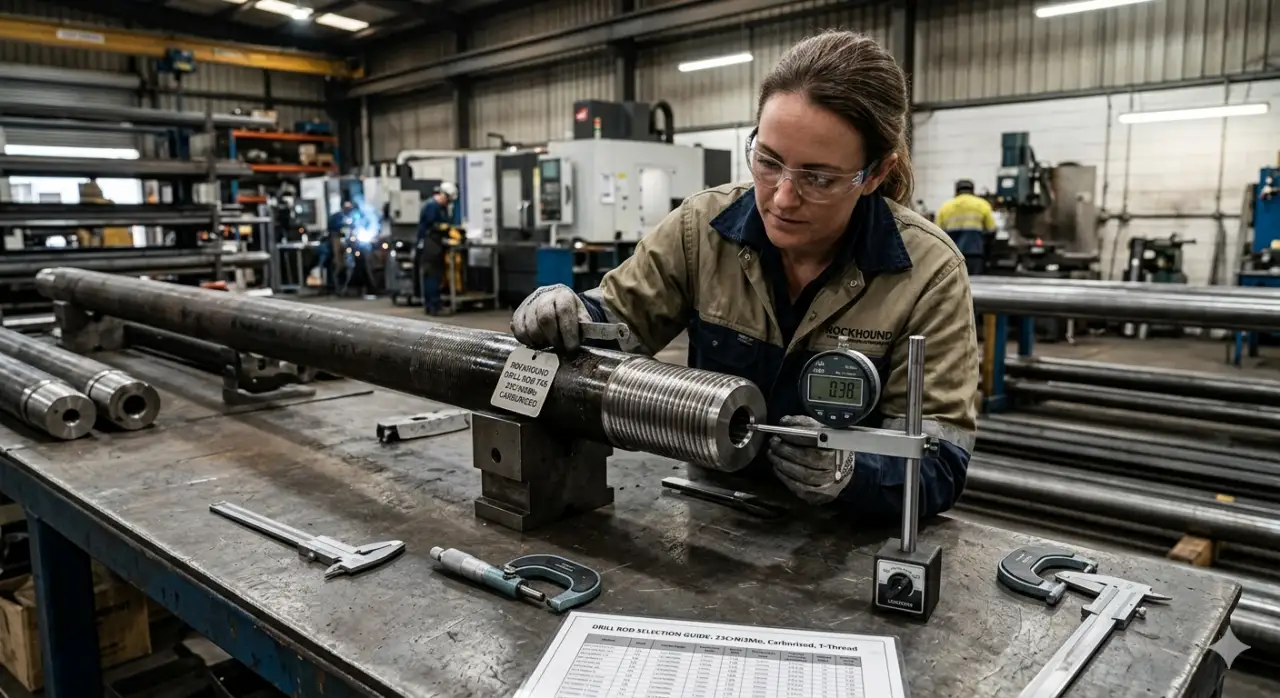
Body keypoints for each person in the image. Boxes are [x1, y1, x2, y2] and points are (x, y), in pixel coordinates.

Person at [509, 30, 980, 524]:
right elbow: (616, 324)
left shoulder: (929, 274)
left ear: (876, 174)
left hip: (848, 538)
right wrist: (569, 313)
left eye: (818, 178)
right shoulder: (701, 230)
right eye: (768, 161)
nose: (781, 197)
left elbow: (940, 462)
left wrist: (852, 472)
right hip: (710, 512)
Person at [935, 179, 996, 276]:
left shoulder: (945, 207)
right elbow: (992, 229)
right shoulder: (982, 204)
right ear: (973, 191)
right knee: (976, 285)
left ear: (956, 191)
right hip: (974, 253)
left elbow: (936, 233)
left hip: (952, 256)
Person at [417, 182, 458, 315]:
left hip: (436, 245)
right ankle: (433, 306)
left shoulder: (441, 208)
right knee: (431, 276)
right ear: (442, 195)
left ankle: (434, 304)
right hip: (430, 245)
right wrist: (444, 228)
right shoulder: (431, 206)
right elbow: (432, 226)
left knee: (436, 276)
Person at [317, 199, 357, 290]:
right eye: (347, 208)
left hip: (348, 241)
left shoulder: (352, 217)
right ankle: (337, 285)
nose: (348, 210)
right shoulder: (337, 217)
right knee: (339, 264)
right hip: (337, 240)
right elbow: (332, 228)